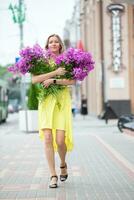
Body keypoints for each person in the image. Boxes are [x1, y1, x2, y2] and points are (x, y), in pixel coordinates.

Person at [32, 34, 76, 188]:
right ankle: (53, 175)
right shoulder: (41, 61)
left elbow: (72, 80)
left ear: (60, 44)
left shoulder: (67, 60)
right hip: (46, 101)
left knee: (60, 140)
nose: (53, 43)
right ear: (47, 45)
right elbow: (35, 79)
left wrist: (55, 80)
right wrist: (54, 73)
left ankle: (63, 164)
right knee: (48, 138)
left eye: (56, 41)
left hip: (61, 101)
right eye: (51, 42)